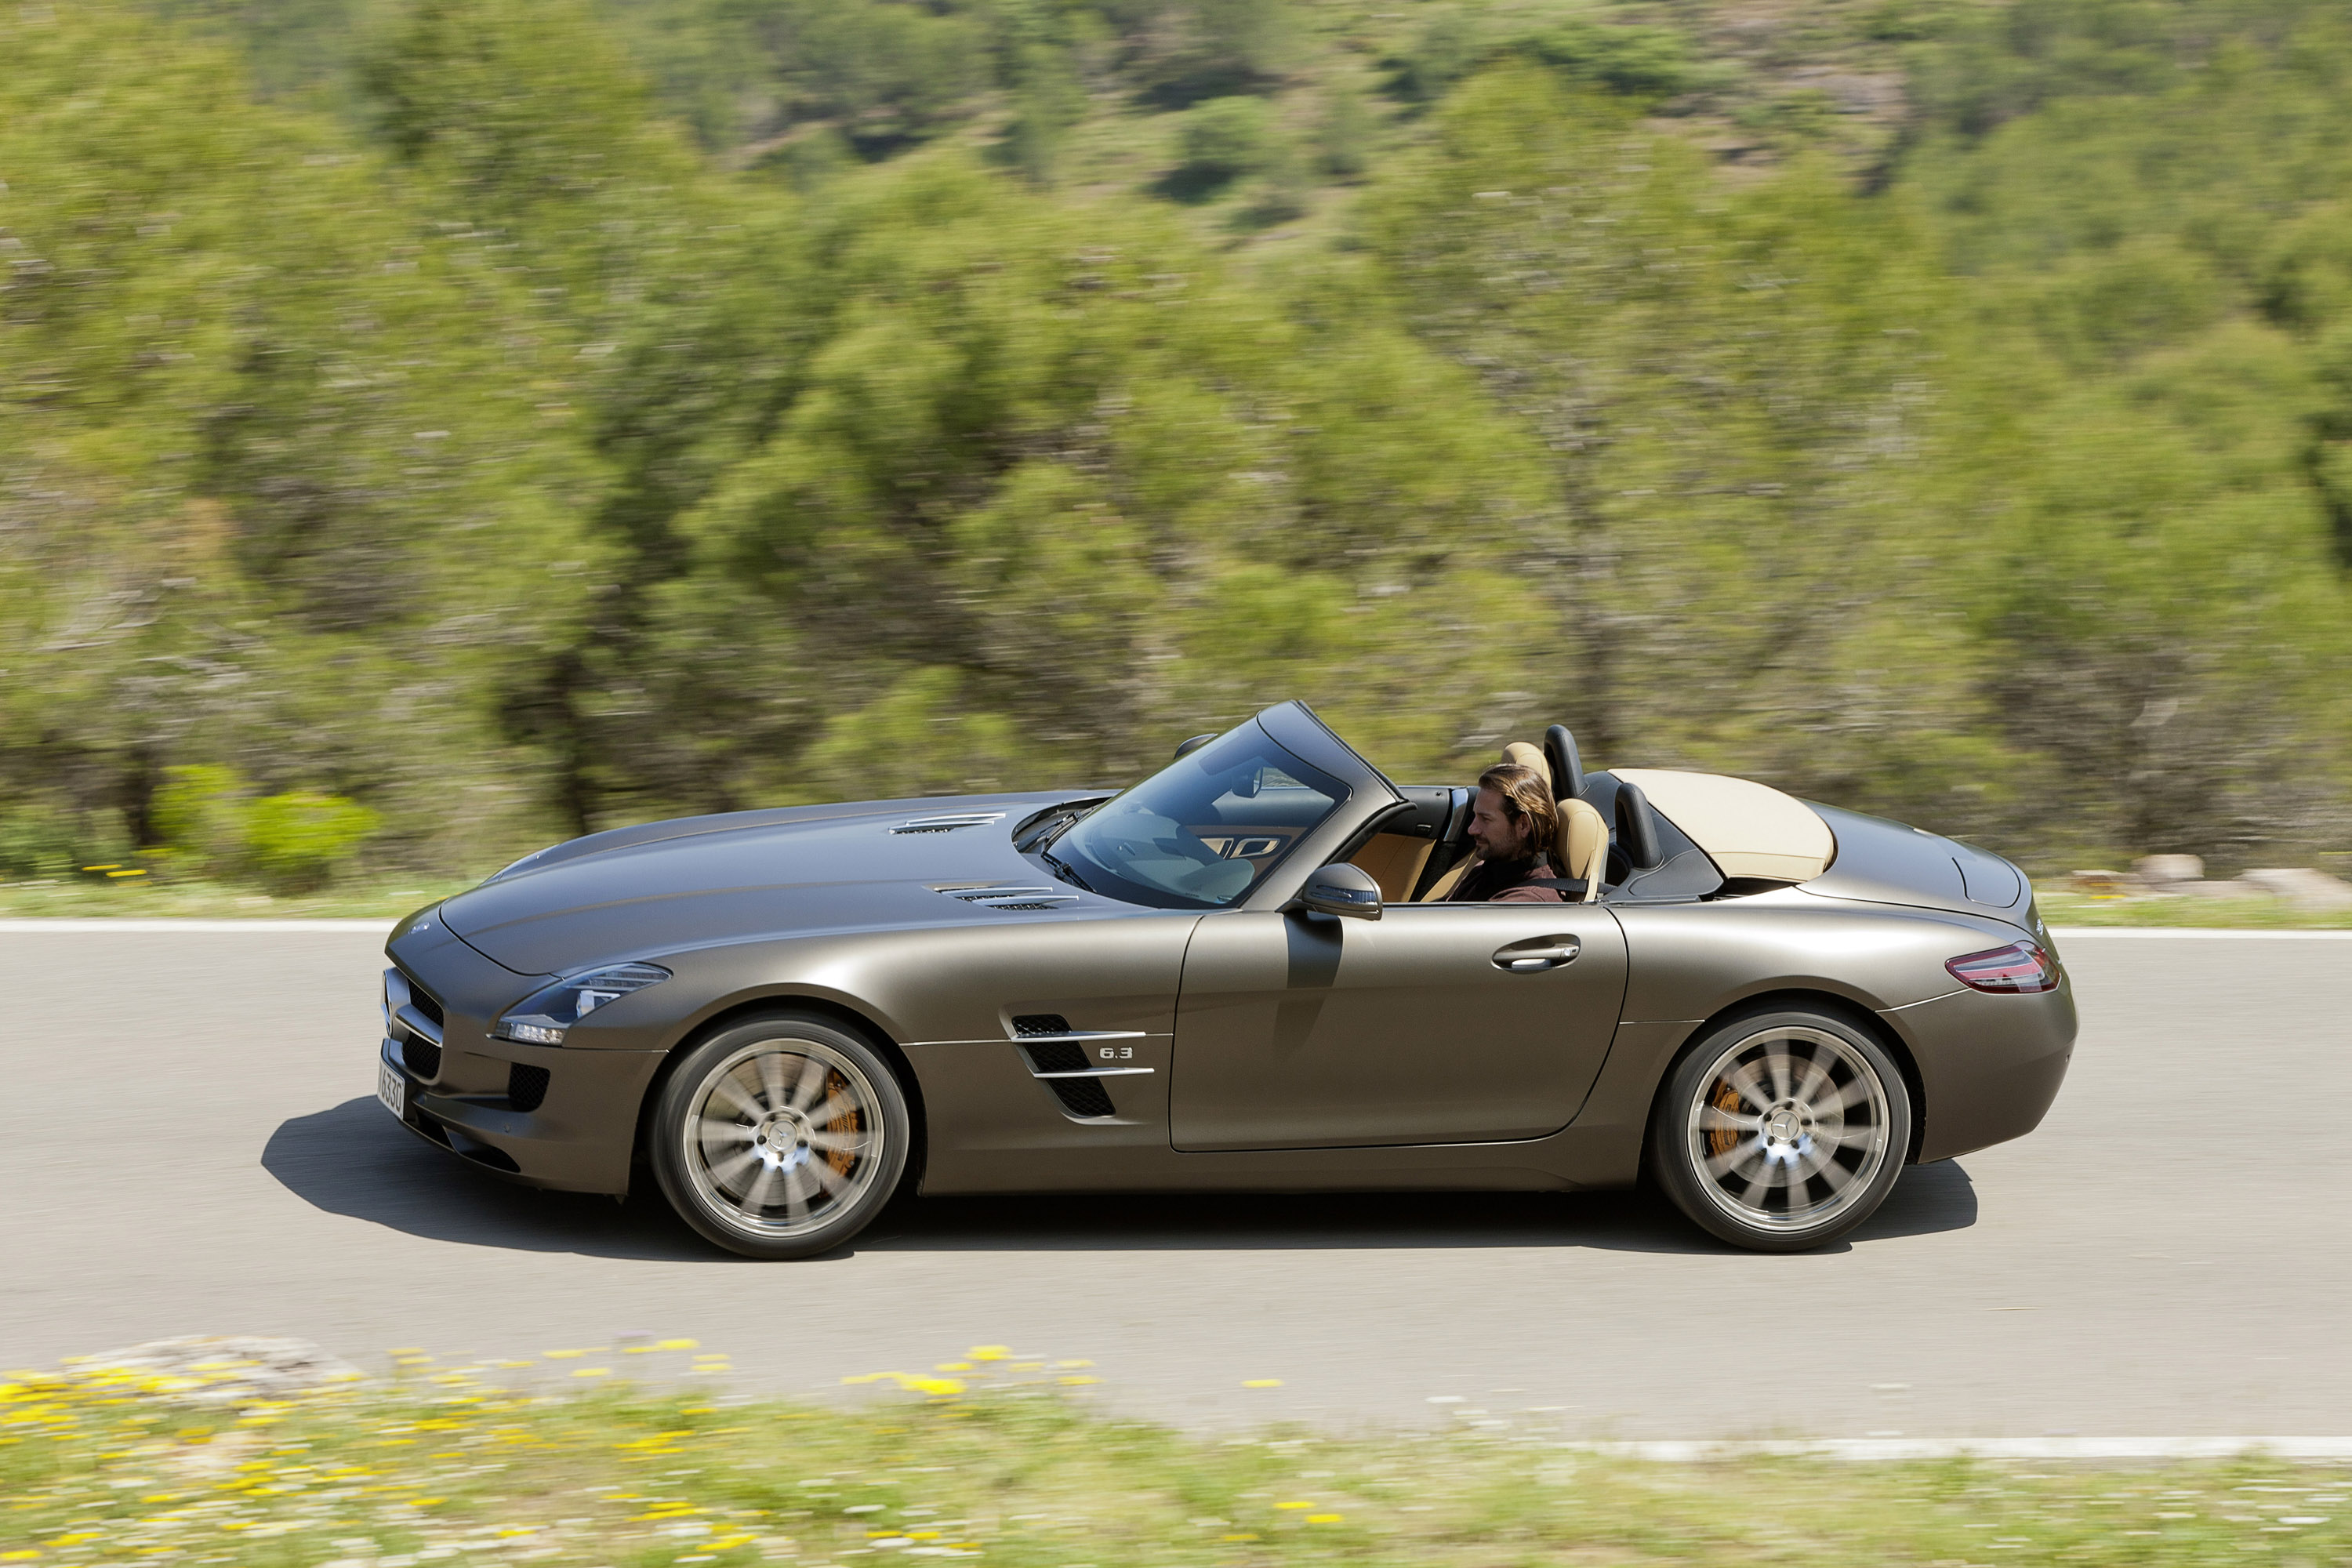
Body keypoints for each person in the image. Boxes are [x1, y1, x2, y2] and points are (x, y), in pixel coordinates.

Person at [1446, 761, 1566, 903]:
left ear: (1523, 825)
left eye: (1485, 819)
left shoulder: (1528, 902)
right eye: (1475, 816)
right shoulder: (1484, 873)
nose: (1472, 829)